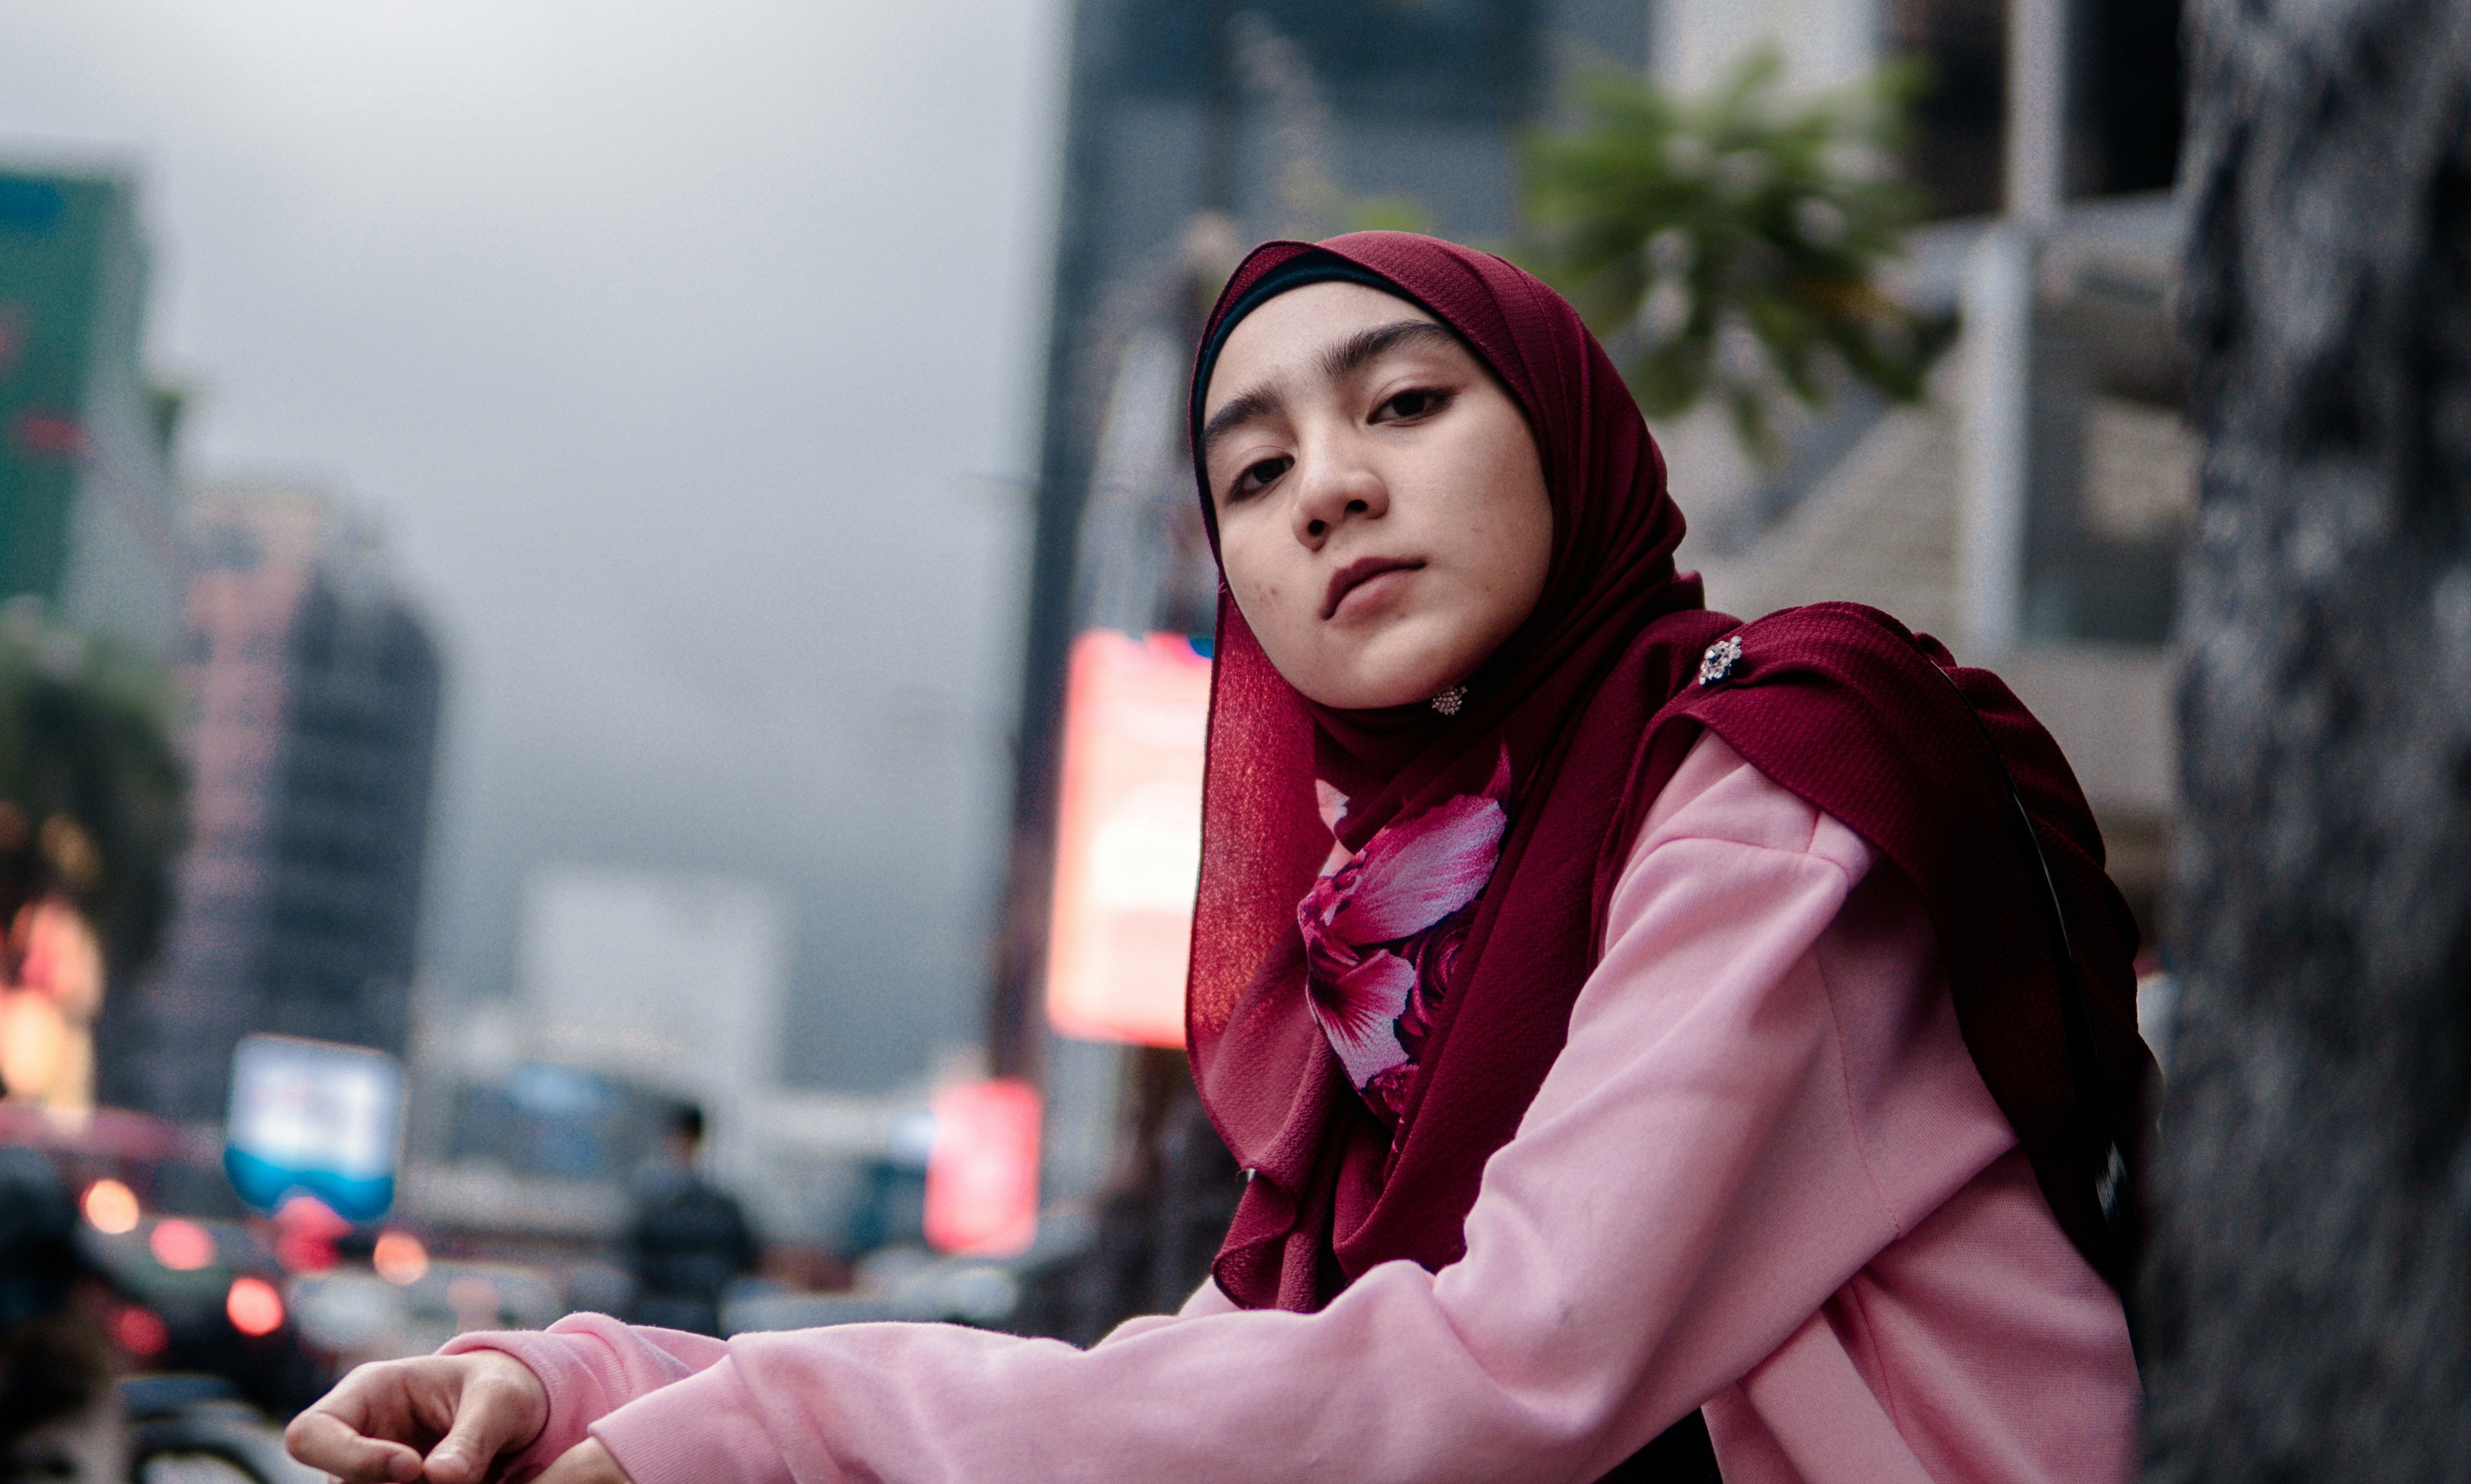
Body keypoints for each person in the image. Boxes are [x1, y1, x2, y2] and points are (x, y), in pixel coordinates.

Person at [286, 234, 2150, 1484]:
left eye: (1406, 402)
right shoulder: (1420, 923)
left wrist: (768, 1428)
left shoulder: (1764, 781)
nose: (1328, 484)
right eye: (1250, 473)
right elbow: (1216, 1374)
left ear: (1568, 433)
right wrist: (601, 1385)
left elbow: (1501, 1373)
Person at [620, 1105, 760, 1338]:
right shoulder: (723, 1205)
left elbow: (633, 1262)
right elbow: (745, 1260)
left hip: (656, 1320)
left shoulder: (652, 1202)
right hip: (705, 1319)